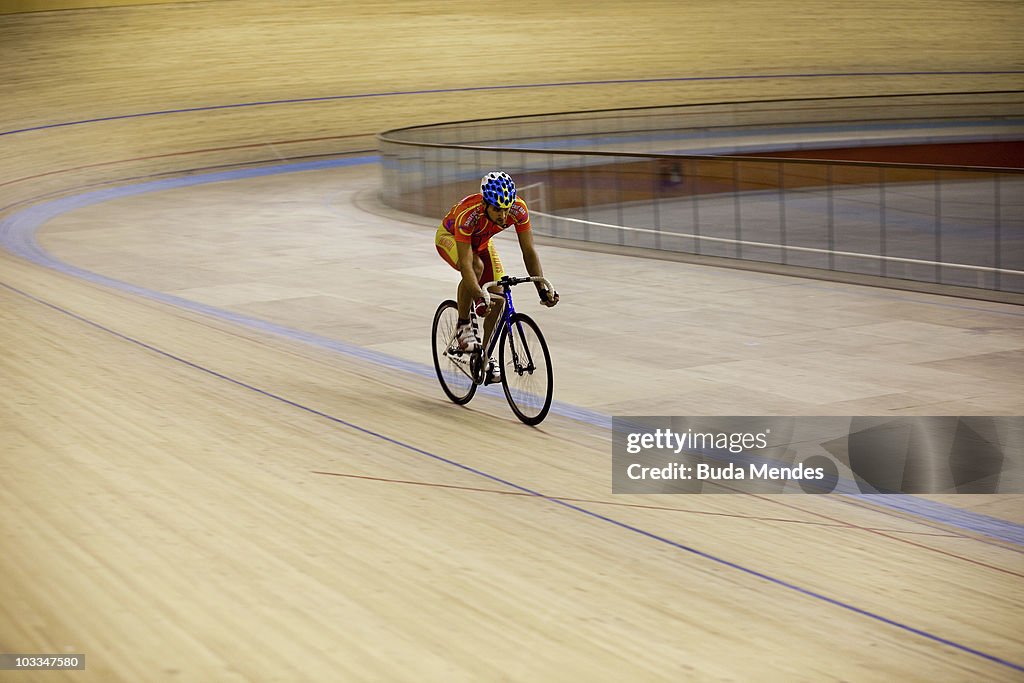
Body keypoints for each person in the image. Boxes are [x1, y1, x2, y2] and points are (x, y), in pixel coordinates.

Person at [435, 171, 559, 384]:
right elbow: (465, 263)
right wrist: (477, 294)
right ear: (485, 205)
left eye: (506, 209)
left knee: (499, 299)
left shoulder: (518, 209)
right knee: (476, 266)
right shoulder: (469, 215)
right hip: (450, 238)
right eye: (497, 210)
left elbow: (528, 251)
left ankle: (484, 356)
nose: (503, 216)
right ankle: (463, 325)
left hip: (482, 243)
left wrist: (542, 288)